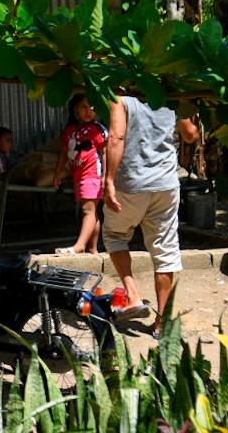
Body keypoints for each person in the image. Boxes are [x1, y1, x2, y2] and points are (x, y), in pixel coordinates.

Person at [101, 94, 200, 324]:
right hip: (165, 184)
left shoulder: (121, 99)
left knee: (115, 235)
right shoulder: (172, 98)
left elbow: (116, 136)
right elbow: (190, 135)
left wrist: (108, 180)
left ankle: (133, 296)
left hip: (131, 185)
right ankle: (162, 323)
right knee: (164, 250)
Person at [53, 94, 107, 255]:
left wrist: (106, 175)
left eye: (92, 107)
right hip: (79, 176)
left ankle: (80, 246)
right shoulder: (69, 130)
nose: (88, 111)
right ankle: (92, 249)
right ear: (75, 109)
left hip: (93, 174)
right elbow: (63, 152)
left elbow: (106, 152)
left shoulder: (98, 130)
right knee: (92, 211)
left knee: (87, 210)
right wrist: (58, 173)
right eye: (83, 107)